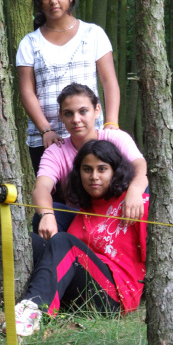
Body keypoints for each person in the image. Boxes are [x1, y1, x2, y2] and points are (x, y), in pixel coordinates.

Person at [3, 140, 149, 336]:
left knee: (63, 240)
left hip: (115, 296)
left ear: (115, 171)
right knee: (31, 241)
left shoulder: (137, 204)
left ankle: (33, 310)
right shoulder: (85, 212)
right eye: (87, 169)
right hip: (81, 292)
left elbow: (163, 254)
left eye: (102, 169)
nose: (94, 176)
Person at [16, 0, 121, 174]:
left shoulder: (93, 34)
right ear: (39, 1)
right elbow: (27, 92)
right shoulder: (29, 43)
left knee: (93, 189)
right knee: (52, 194)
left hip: (90, 136)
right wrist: (46, 130)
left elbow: (109, 82)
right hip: (47, 141)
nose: (53, 1)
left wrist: (112, 123)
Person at [32, 83, 148, 240]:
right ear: (61, 116)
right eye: (68, 113)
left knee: (144, 191)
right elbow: (41, 188)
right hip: (81, 220)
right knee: (42, 215)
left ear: (97, 110)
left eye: (83, 111)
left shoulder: (116, 137)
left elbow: (141, 167)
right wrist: (47, 215)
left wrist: (134, 192)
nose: (76, 120)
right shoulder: (55, 151)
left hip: (121, 214)